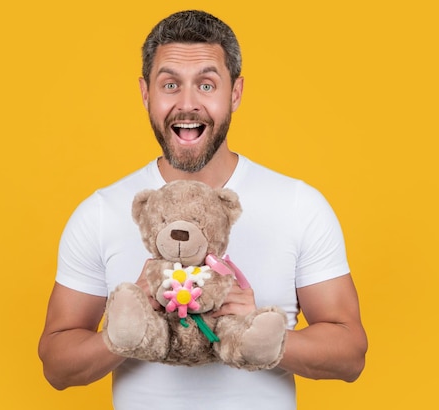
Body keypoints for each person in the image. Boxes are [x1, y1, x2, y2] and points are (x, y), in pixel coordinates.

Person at [38, 9, 368, 410]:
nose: (187, 104)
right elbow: (57, 366)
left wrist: (262, 335)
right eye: (170, 84)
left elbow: (350, 355)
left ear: (236, 92)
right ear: (146, 93)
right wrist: (125, 331)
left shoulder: (299, 205)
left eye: (207, 84)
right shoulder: (102, 212)